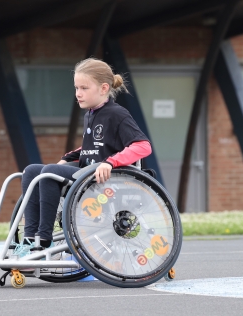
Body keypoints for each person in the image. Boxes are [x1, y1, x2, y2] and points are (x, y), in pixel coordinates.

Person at [14, 58, 152, 256]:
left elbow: (143, 146)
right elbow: (94, 147)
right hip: (86, 174)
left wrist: (111, 163)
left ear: (104, 88)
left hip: (105, 181)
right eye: (76, 88)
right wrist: (67, 157)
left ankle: (44, 239)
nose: (78, 93)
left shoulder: (117, 114)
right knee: (32, 170)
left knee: (49, 172)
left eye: (84, 88)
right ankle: (29, 238)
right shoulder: (91, 114)